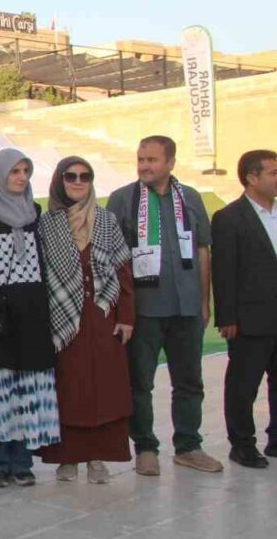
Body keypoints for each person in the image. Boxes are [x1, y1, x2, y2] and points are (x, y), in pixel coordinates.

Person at [106, 135, 220, 474]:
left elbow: (202, 251)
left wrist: (203, 301)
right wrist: (121, 310)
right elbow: (112, 259)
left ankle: (188, 446)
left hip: (186, 307)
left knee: (189, 382)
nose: (144, 166)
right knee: (140, 383)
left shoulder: (191, 198)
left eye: (152, 160)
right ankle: (145, 447)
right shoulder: (123, 199)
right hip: (144, 310)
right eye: (141, 159)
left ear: (170, 162)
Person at [0, 149, 59, 487]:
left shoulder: (34, 213)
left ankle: (22, 463)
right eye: (14, 171)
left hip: (32, 318)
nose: (20, 178)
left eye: (25, 171)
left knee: (26, 391)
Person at [38, 156, 134, 483]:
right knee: (69, 388)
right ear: (59, 180)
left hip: (103, 316)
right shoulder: (47, 224)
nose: (78, 182)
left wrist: (126, 318)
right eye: (71, 176)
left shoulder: (106, 219)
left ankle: (97, 458)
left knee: (105, 388)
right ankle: (68, 458)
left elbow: (123, 271)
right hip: (62, 319)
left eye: (85, 176)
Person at [212, 149, 277, 468]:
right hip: (249, 319)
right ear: (252, 178)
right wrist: (227, 317)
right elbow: (224, 271)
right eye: (273, 173)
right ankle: (242, 445)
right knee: (243, 386)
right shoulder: (229, 218)